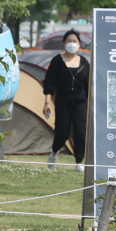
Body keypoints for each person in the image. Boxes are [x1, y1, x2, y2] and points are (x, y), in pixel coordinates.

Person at [42, 30, 89, 170]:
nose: (72, 43)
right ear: (63, 43)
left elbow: (88, 86)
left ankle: (79, 162)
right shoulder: (57, 61)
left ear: (79, 44)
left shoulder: (84, 62)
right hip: (63, 100)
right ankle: (54, 152)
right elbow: (49, 84)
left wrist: (90, 105)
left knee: (80, 132)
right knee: (62, 132)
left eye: (75, 41)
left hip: (80, 102)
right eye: (69, 41)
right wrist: (47, 103)